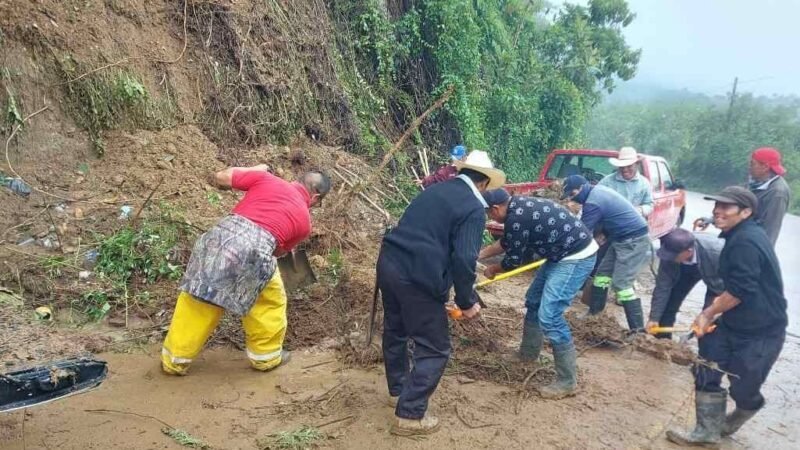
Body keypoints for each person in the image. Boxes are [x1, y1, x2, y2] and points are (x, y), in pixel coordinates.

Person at [378, 150, 505, 436]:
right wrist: (466, 301)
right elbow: (464, 258)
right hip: (419, 276)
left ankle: (398, 391)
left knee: (396, 330)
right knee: (435, 347)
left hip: (390, 263)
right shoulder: (473, 207)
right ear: (484, 183)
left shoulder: (433, 191)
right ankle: (410, 415)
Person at [160, 165, 330, 375]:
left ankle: (174, 360)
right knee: (269, 299)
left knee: (199, 297)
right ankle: (266, 357)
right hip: (255, 251)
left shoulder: (266, 178)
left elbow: (221, 176)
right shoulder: (304, 222)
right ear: (315, 197)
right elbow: (278, 252)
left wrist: (256, 168)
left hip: (217, 239)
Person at [667, 186, 787, 447]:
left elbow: (740, 290)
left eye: (725, 207)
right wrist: (712, 316)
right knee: (706, 366)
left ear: (746, 212)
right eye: (716, 206)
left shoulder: (746, 242)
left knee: (744, 387)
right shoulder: (737, 234)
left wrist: (708, 313)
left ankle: (747, 408)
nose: (717, 211)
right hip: (732, 322)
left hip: (762, 329)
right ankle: (707, 431)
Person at [479, 189, 598, 399]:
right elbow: (506, 242)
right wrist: (478, 255)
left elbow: (512, 261)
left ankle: (567, 381)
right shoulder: (518, 207)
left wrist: (492, 269)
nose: (490, 218)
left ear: (495, 208)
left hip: (576, 256)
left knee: (550, 315)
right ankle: (527, 354)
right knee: (534, 301)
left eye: (489, 214)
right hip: (559, 253)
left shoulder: (517, 217)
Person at [562, 175, 650, 332]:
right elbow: (613, 216)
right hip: (619, 238)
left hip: (633, 240)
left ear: (582, 187)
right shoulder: (597, 191)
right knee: (602, 276)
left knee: (622, 285)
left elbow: (582, 233)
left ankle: (638, 331)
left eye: (573, 194)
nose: (572, 199)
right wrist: (603, 235)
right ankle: (595, 316)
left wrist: (565, 252)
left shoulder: (593, 202)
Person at [693, 147, 790, 246]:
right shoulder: (755, 182)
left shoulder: (778, 193)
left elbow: (770, 228)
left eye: (752, 164)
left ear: (765, 167)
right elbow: (736, 208)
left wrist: (758, 250)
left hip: (751, 245)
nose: (749, 167)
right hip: (737, 237)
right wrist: (713, 219)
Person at [648, 229, 724, 339]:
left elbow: (727, 288)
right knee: (670, 301)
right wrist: (654, 318)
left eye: (673, 256)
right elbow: (662, 287)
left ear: (688, 251)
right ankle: (663, 340)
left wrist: (708, 314)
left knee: (710, 316)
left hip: (716, 272)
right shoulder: (669, 254)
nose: (669, 258)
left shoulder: (717, 252)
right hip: (684, 269)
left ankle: (706, 343)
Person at [598, 146, 654, 217]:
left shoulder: (644, 183)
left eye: (629, 166)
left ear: (637, 164)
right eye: (622, 166)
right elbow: (596, 199)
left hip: (634, 221)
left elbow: (649, 204)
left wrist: (640, 210)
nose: (625, 169)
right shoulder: (607, 181)